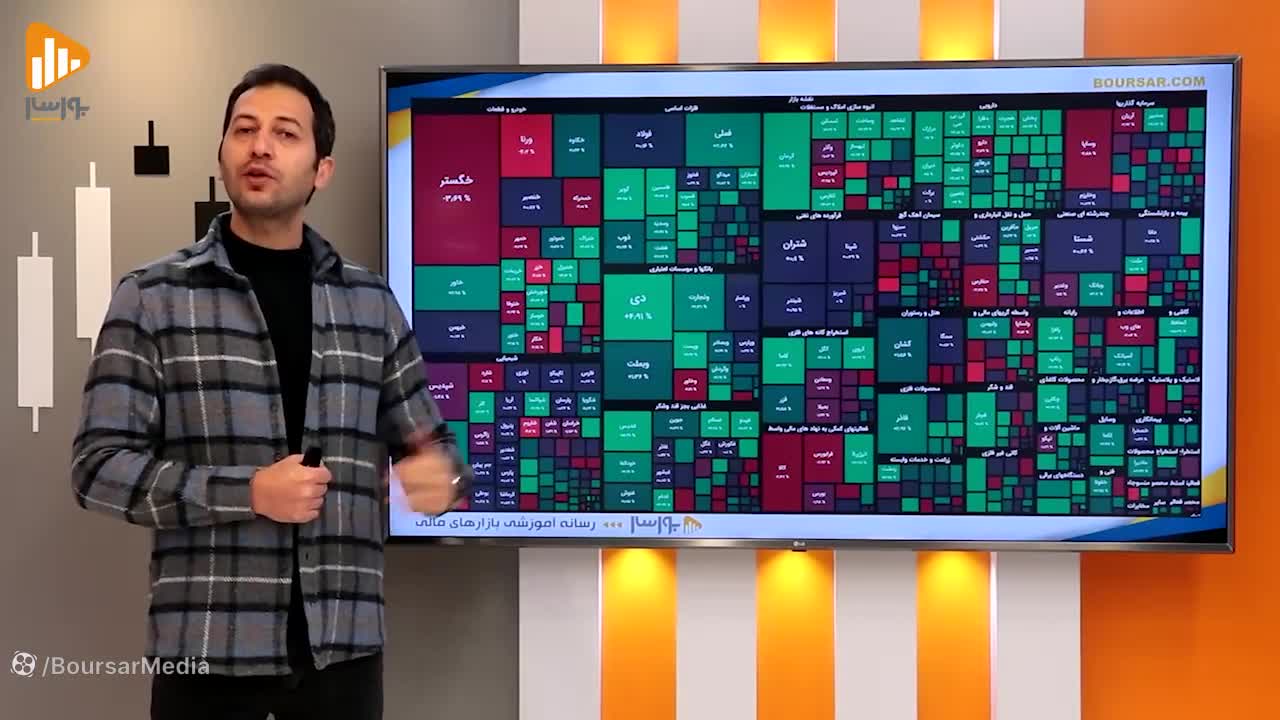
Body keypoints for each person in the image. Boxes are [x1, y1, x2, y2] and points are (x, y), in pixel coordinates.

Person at [69, 63, 469, 720]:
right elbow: (97, 468)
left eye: (285, 133)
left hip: (344, 664)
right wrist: (248, 493)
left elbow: (434, 451)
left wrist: (439, 479)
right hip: (206, 664)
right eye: (244, 130)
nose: (260, 146)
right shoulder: (152, 298)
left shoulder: (371, 304)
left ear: (321, 170)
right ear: (222, 154)